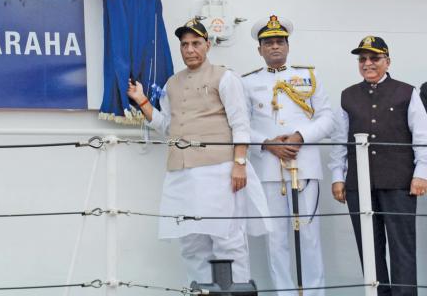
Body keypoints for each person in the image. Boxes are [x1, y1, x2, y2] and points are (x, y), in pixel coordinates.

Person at [127, 18, 269, 284]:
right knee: (191, 242)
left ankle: (236, 289)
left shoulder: (226, 78)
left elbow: (241, 124)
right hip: (181, 172)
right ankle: (203, 290)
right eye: (184, 45)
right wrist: (142, 100)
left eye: (195, 43)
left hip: (219, 169)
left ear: (207, 45)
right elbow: (168, 127)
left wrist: (239, 163)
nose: (190, 49)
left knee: (227, 239)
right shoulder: (172, 83)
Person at [242, 15, 334, 295]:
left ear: (288, 45)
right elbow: (241, 126)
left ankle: (315, 293)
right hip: (269, 170)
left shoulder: (309, 77)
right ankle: (283, 293)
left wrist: (300, 136)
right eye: (268, 43)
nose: (274, 47)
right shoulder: (247, 82)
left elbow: (328, 118)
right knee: (276, 239)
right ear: (259, 49)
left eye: (279, 41)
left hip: (304, 167)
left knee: (310, 237)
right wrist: (267, 143)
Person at [329, 36, 427, 296]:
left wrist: (421, 174)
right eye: (363, 59)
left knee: (402, 246)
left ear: (387, 61)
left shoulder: (407, 92)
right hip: (358, 185)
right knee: (369, 246)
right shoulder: (347, 95)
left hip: (399, 182)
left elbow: (422, 137)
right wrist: (338, 177)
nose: (368, 63)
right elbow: (340, 140)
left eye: (374, 58)